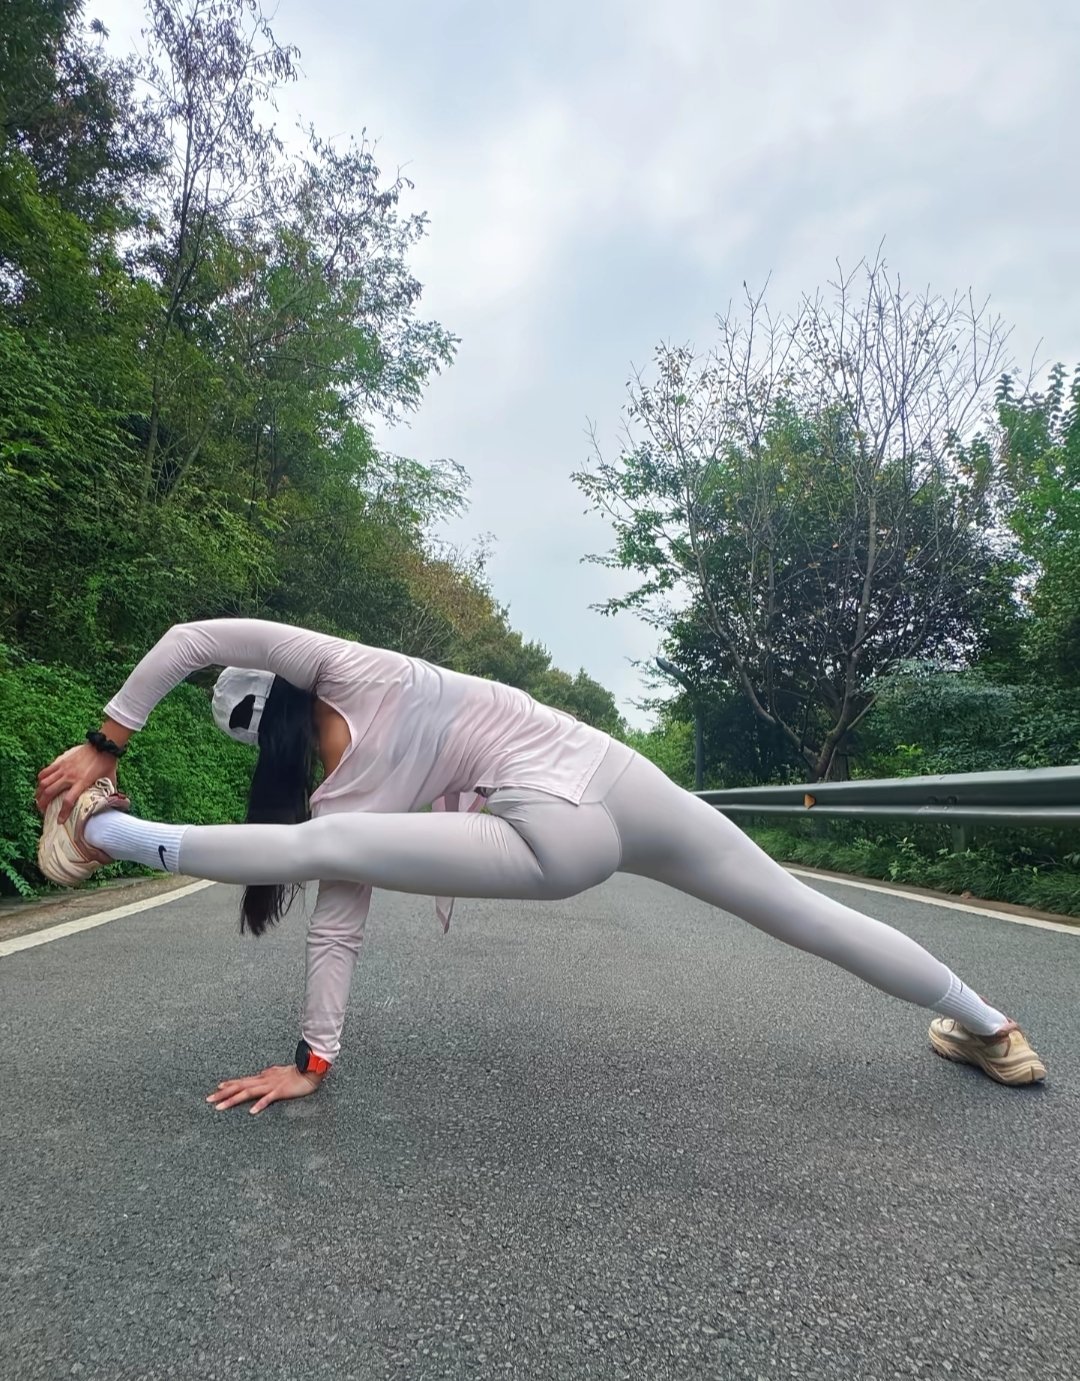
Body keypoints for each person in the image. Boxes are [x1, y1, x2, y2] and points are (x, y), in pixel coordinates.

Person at [35, 618, 1047, 1113]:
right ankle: (993, 1026)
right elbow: (196, 641)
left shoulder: (344, 778)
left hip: (560, 831)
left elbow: (336, 920)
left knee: (320, 845)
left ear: (269, 734)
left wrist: (105, 744)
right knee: (804, 912)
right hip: (620, 780)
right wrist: (109, 733)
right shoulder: (362, 687)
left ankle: (106, 832)